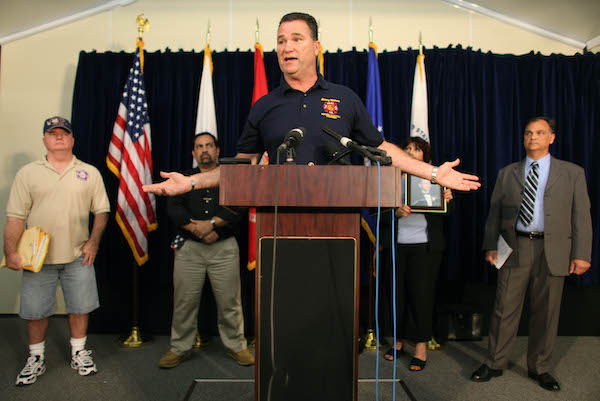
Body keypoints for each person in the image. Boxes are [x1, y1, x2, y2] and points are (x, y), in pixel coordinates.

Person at [142, 12, 480, 197]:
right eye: (280, 41)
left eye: (296, 39)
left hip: (338, 222)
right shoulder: (264, 106)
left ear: (316, 46)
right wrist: (191, 182)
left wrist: (433, 173)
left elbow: (382, 149)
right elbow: (240, 168)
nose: (286, 47)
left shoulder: (344, 98)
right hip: (279, 225)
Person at [471, 117, 592, 391]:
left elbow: (581, 216)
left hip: (554, 248)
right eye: (528, 133)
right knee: (504, 308)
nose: (533, 137)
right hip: (515, 246)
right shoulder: (508, 173)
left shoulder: (572, 173)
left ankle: (541, 368)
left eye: (539, 132)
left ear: (552, 138)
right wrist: (491, 245)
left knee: (546, 312)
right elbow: (495, 213)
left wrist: (582, 253)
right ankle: (494, 362)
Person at [4, 116, 110, 386]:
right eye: (53, 133)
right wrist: (11, 251)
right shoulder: (27, 173)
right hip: (38, 257)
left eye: (64, 133)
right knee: (36, 311)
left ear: (72, 139)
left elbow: (101, 211)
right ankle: (36, 357)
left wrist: (94, 242)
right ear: (44, 139)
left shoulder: (89, 172)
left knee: (80, 307)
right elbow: (15, 217)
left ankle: (79, 352)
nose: (59, 137)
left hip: (78, 254)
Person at [158, 132, 254, 368]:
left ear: (217, 150)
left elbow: (238, 207)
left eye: (209, 145)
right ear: (193, 153)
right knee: (184, 302)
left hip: (224, 248)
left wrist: (211, 225)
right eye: (199, 146)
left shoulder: (229, 177)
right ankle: (179, 347)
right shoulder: (184, 179)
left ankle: (236, 346)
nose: (204, 150)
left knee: (230, 303)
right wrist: (197, 228)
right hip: (189, 249)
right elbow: (174, 209)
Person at [382, 136, 453, 371]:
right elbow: (376, 211)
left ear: (425, 155)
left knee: (421, 297)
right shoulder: (391, 178)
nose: (412, 152)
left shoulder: (435, 179)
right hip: (397, 246)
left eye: (417, 149)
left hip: (425, 248)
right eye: (408, 148)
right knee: (398, 296)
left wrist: (446, 200)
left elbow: (446, 214)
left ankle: (421, 346)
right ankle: (399, 342)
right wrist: (394, 212)